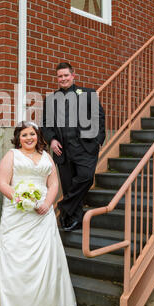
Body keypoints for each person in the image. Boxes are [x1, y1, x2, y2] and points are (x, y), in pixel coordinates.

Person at [0, 121, 77, 306]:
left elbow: (53, 184)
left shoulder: (46, 157)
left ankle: (43, 304)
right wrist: (23, 201)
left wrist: (47, 203)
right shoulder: (12, 155)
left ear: (38, 136)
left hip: (43, 213)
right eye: (24, 135)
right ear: (18, 138)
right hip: (17, 211)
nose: (29, 138)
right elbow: (2, 183)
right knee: (14, 252)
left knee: (45, 256)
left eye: (32, 134)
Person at [42, 62, 105, 232]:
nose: (63, 79)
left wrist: (98, 140)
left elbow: (99, 118)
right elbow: (46, 125)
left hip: (85, 148)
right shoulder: (50, 99)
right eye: (60, 76)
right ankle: (73, 220)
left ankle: (63, 206)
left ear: (73, 75)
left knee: (86, 177)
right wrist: (52, 140)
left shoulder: (87, 94)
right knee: (69, 186)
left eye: (66, 75)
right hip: (62, 150)